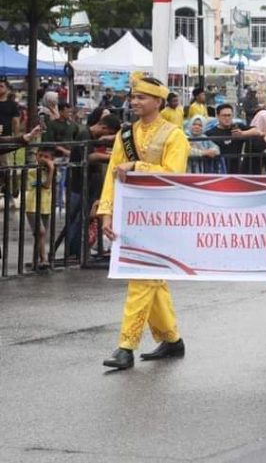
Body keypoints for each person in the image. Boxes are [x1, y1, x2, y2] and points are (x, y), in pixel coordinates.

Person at [101, 76, 190, 371]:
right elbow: (113, 174)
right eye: (133, 97)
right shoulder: (125, 135)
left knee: (142, 278)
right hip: (131, 216)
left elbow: (174, 175)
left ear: (158, 102)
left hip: (162, 218)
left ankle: (126, 345)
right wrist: (106, 211)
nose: (134, 102)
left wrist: (139, 167)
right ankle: (171, 339)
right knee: (152, 279)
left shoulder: (174, 135)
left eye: (141, 97)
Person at [63, 114, 120, 260]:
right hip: (77, 183)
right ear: (103, 127)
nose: (105, 138)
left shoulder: (90, 136)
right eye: (107, 134)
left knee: (85, 218)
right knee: (76, 218)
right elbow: (88, 157)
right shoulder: (84, 134)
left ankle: (79, 250)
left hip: (87, 184)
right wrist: (112, 158)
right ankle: (73, 251)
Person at [25, 145, 56, 271]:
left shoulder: (48, 169)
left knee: (41, 235)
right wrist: (51, 169)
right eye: (40, 156)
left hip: (45, 205)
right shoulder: (33, 170)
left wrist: (51, 169)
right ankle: (43, 259)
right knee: (40, 232)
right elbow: (46, 185)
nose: (42, 159)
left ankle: (36, 261)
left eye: (46, 157)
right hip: (32, 205)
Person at [206, 104, 251, 174]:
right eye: (224, 115)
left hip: (237, 170)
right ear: (217, 116)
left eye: (229, 115)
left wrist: (242, 134)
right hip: (218, 171)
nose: (227, 118)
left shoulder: (238, 127)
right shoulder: (210, 133)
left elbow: (257, 131)